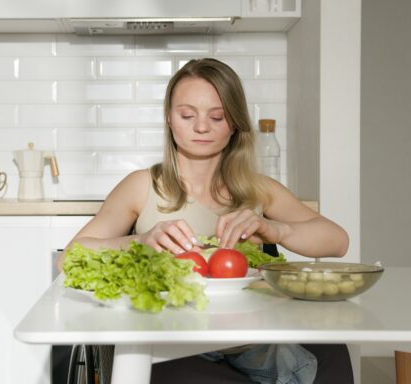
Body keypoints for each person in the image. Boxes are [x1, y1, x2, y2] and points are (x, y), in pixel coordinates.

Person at [57, 58, 353, 384]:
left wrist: (277, 229)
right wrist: (137, 242)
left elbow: (337, 241)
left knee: (333, 349)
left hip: (253, 340)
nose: (201, 127)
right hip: (176, 345)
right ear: (169, 118)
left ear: (235, 124)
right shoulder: (142, 186)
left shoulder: (260, 190)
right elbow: (69, 257)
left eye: (217, 116)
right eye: (187, 115)